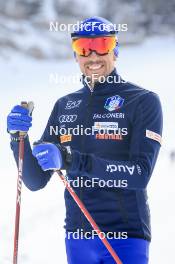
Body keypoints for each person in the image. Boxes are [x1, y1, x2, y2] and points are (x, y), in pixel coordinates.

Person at [7, 16, 163, 264]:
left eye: (102, 45)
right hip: (78, 237)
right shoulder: (65, 105)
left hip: (126, 236)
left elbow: (139, 174)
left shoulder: (143, 101)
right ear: (75, 55)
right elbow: (35, 180)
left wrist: (71, 159)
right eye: (83, 48)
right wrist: (18, 140)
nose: (93, 56)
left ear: (115, 50)